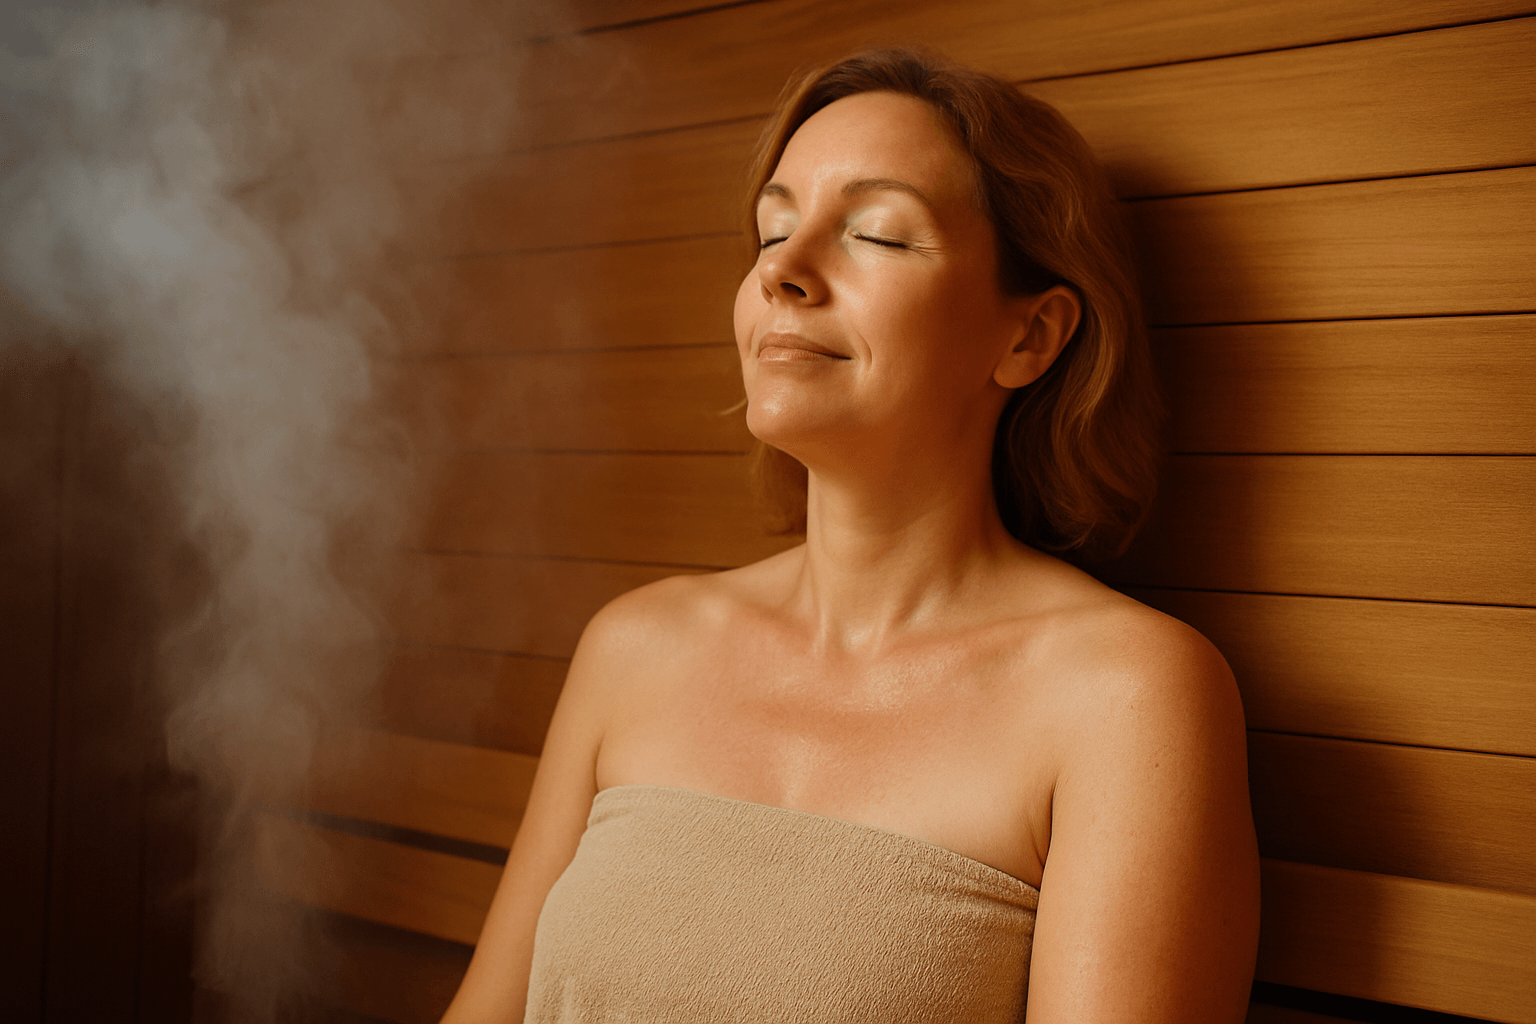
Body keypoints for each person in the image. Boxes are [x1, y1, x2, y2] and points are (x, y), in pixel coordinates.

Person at [441, 48, 1259, 1024]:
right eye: (772, 229)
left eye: (876, 233)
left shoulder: (1121, 698)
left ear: (1030, 337)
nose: (781, 270)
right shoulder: (635, 646)